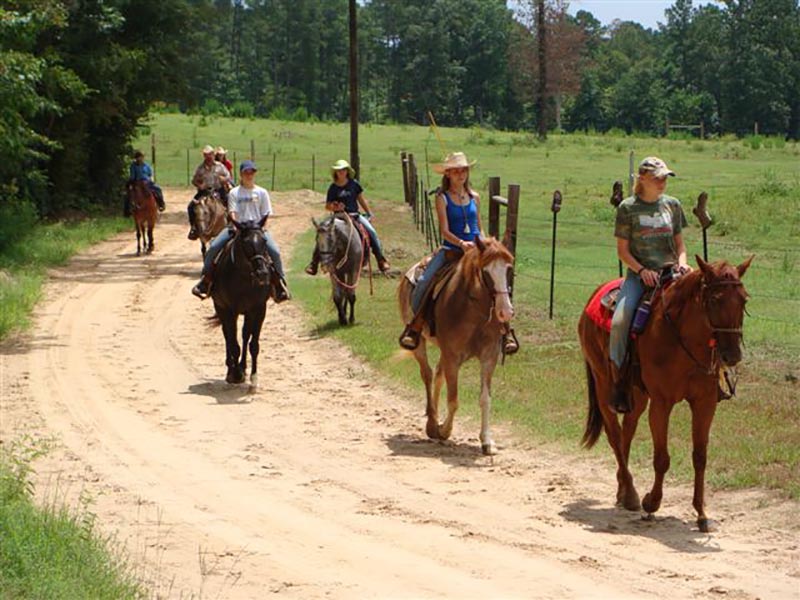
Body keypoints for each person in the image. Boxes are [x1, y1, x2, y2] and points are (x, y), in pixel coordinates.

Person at [398, 152, 518, 354]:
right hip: (451, 251)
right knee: (425, 281)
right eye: (455, 171)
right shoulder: (442, 198)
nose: (460, 174)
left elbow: (479, 227)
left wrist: (483, 245)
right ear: (447, 174)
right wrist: (461, 243)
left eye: (463, 170)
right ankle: (416, 326)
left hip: (476, 252)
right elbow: (444, 230)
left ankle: (505, 331)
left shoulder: (475, 197)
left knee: (497, 284)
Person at [609, 156, 691, 413]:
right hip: (640, 276)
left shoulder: (673, 206)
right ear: (642, 178)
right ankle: (619, 380)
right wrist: (641, 270)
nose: (662, 182)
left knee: (705, 308)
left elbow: (680, 245)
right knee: (620, 320)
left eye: (665, 177)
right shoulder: (627, 208)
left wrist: (683, 263)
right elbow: (622, 251)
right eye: (657, 178)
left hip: (672, 273)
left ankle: (713, 375)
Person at [191, 160, 290, 303]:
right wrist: (238, 227)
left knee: (274, 251)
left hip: (257, 229)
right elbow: (232, 212)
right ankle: (205, 281)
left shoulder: (262, 192)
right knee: (213, 248)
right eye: (246, 172)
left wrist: (260, 229)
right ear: (241, 174)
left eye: (252, 172)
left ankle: (280, 283)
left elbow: (266, 214)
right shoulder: (234, 192)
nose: (249, 175)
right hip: (237, 228)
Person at [304, 159, 390, 275]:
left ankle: (380, 259)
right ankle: (313, 263)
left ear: (347, 171)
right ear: (335, 172)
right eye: (339, 170)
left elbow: (360, 199)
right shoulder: (333, 188)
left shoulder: (354, 184)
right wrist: (335, 206)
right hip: (338, 217)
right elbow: (327, 206)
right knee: (323, 233)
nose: (341, 172)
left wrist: (368, 212)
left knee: (371, 231)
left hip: (354, 215)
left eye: (343, 170)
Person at [187, 144, 232, 240]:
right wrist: (199, 185)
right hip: (204, 191)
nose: (208, 157)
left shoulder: (220, 166)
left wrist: (223, 179)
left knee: (230, 202)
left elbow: (228, 176)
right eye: (206, 155)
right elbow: (194, 180)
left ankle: (231, 225)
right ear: (204, 156)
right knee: (191, 206)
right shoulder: (200, 168)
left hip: (218, 190)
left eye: (210, 154)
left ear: (213, 154)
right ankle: (194, 228)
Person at [125, 150, 165, 215]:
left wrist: (151, 180)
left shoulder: (147, 165)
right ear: (136, 158)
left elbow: (150, 174)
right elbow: (132, 176)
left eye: (141, 157)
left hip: (147, 182)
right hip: (137, 182)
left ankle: (161, 204)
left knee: (158, 189)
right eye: (138, 157)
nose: (140, 159)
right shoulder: (133, 166)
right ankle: (128, 210)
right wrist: (131, 182)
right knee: (128, 194)